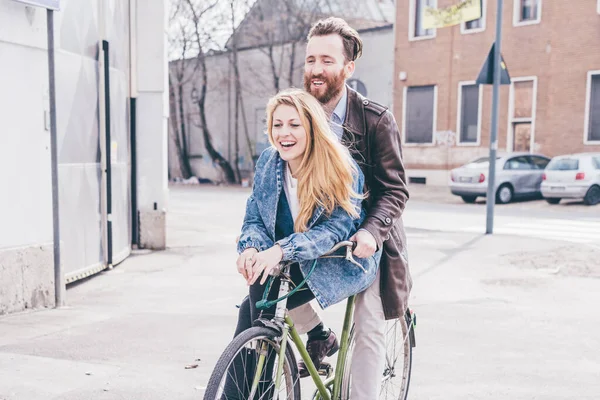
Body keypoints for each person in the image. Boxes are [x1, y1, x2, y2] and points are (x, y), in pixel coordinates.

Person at [226, 88, 382, 398]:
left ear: (311, 125)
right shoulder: (270, 162)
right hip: (289, 256)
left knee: (257, 303)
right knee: (259, 300)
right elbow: (255, 215)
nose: (284, 133)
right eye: (277, 124)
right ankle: (249, 388)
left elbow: (337, 228)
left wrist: (283, 250)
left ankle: (250, 392)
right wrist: (251, 248)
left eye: (294, 125)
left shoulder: (340, 165)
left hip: (336, 260)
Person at [287, 17, 412, 400]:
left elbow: (395, 190)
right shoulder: (299, 116)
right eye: (310, 60)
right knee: (268, 290)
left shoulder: (376, 120)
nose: (316, 70)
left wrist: (372, 234)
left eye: (327, 60)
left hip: (368, 242)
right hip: (318, 233)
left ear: (347, 67)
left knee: (369, 322)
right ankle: (319, 335)